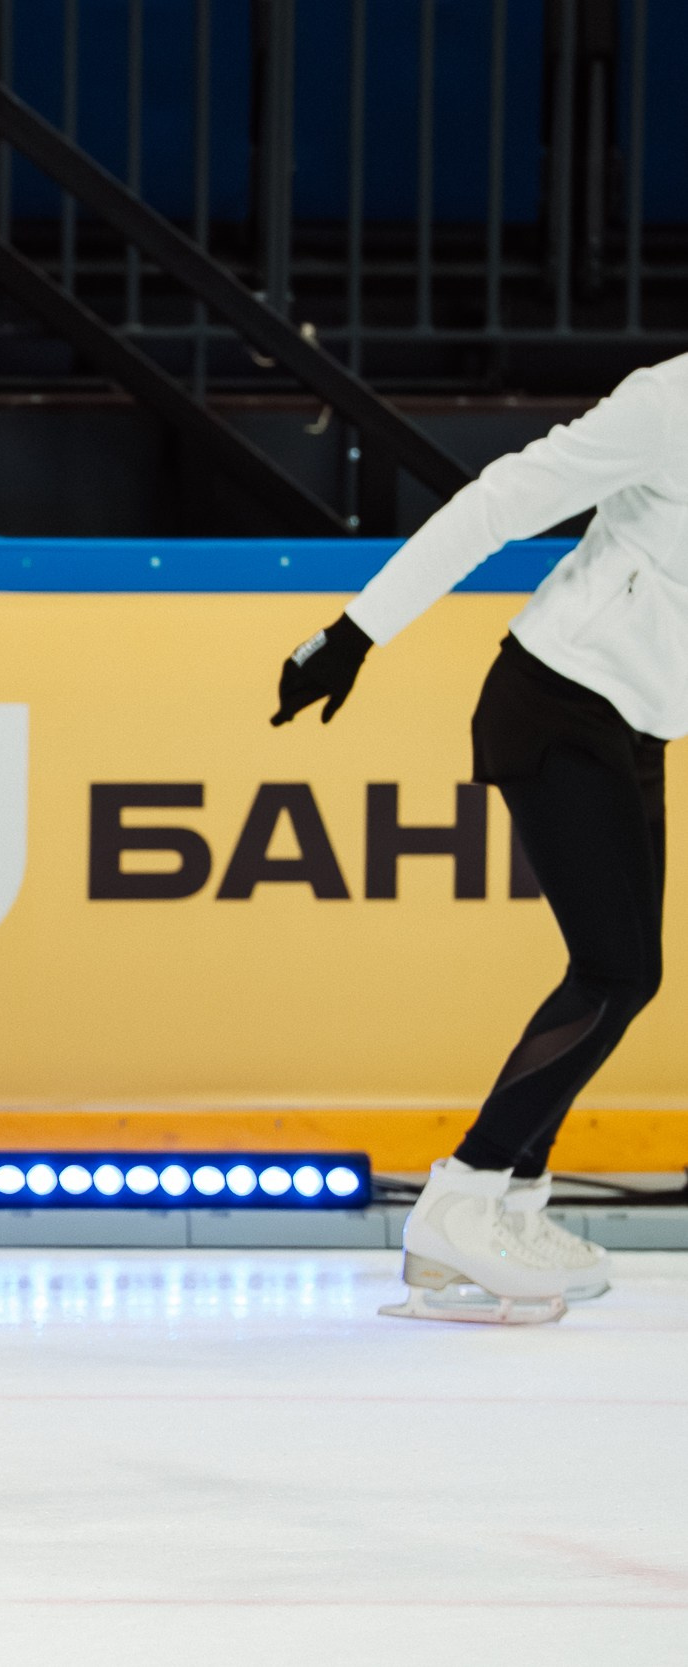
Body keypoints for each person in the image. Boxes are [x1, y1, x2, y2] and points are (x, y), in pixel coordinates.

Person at [273, 353, 688, 1324]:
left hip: (636, 726)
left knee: (627, 972)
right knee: (614, 970)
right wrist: (356, 631)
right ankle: (463, 1193)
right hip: (555, 702)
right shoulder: (669, 401)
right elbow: (503, 499)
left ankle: (510, 1204)